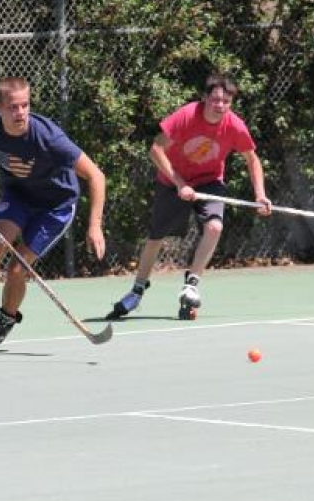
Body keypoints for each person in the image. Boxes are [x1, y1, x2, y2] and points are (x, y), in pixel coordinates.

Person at [0, 76, 106, 353]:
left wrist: (94, 226)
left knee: (17, 268)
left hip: (55, 207)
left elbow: (95, 175)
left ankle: (4, 321)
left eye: (25, 106)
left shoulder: (48, 137)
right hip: (19, 195)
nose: (20, 113)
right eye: (13, 107)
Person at [105, 73, 271, 321]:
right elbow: (156, 150)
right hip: (172, 181)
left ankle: (192, 283)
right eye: (215, 100)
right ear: (204, 98)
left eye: (226, 102)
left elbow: (252, 159)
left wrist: (260, 194)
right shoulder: (185, 116)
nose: (220, 106)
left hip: (209, 182)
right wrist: (180, 183)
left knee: (214, 227)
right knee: (155, 239)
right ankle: (137, 290)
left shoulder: (234, 125)